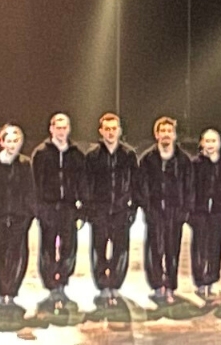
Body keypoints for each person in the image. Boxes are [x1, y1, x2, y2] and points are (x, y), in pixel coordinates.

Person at [32, 114, 84, 311]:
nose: (61, 131)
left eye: (64, 127)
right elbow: (35, 182)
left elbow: (82, 182)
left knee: (68, 246)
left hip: (69, 207)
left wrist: (82, 208)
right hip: (48, 207)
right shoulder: (41, 153)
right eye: (58, 127)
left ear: (68, 129)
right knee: (47, 246)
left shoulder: (76, 153)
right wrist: (38, 208)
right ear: (51, 129)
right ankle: (50, 284)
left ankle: (62, 280)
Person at [84, 113, 138, 303]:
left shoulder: (129, 154)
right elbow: (87, 183)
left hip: (121, 210)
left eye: (114, 128)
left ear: (119, 131)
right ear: (101, 131)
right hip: (99, 210)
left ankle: (115, 284)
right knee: (98, 249)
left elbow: (135, 183)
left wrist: (133, 207)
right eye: (107, 129)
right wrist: (88, 209)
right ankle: (102, 285)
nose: (110, 132)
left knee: (120, 249)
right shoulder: (92, 156)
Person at [0, 124, 37, 306]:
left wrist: (28, 215)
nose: (12, 145)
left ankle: (12, 291)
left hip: (20, 216)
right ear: (2, 142)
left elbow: (29, 191)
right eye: (9, 141)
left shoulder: (25, 164)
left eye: (16, 141)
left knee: (18, 253)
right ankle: (2, 290)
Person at [138, 117, 190, 305]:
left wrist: (184, 210)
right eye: (163, 131)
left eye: (170, 131)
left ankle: (170, 286)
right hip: (155, 212)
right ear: (156, 134)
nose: (166, 134)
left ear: (174, 135)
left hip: (175, 212)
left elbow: (189, 186)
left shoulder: (183, 160)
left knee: (172, 250)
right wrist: (146, 206)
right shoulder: (147, 159)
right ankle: (157, 285)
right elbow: (141, 185)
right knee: (154, 250)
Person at [185, 129, 221, 301]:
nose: (211, 144)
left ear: (219, 144)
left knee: (215, 246)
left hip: (217, 212)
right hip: (199, 212)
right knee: (199, 247)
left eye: (214, 141)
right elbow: (189, 188)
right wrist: (189, 212)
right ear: (202, 144)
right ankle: (200, 281)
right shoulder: (195, 164)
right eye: (208, 141)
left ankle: (211, 279)